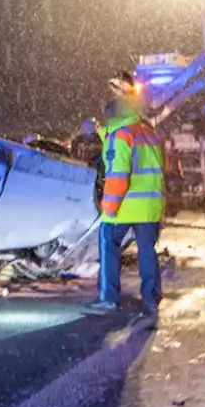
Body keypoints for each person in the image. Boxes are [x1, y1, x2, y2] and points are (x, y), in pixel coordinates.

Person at [87, 95, 166, 322]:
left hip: (125, 206)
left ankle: (108, 298)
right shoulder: (151, 135)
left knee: (108, 243)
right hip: (151, 206)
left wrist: (108, 209)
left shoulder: (120, 136)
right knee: (147, 252)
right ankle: (151, 299)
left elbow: (118, 175)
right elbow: (162, 169)